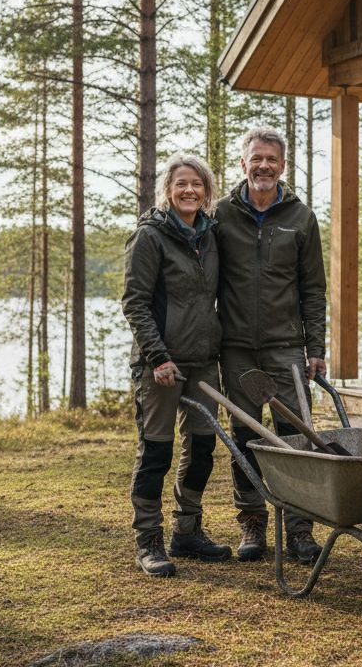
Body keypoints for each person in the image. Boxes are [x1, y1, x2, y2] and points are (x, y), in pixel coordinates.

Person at [214, 127, 328, 564]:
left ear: (283, 166)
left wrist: (315, 346)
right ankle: (252, 525)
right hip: (237, 347)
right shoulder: (221, 214)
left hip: (286, 348)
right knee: (245, 437)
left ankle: (300, 530)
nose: (264, 166)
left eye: (272, 160)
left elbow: (313, 288)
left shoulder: (301, 218)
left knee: (294, 439)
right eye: (256, 158)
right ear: (243, 164)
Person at [122, 154, 231, 577]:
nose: (189, 191)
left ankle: (187, 531)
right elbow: (135, 302)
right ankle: (148, 540)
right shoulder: (150, 237)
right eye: (181, 183)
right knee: (156, 451)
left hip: (203, 362)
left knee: (202, 448)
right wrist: (158, 356)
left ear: (207, 192)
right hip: (161, 365)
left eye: (197, 184)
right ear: (168, 190)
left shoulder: (211, 235)